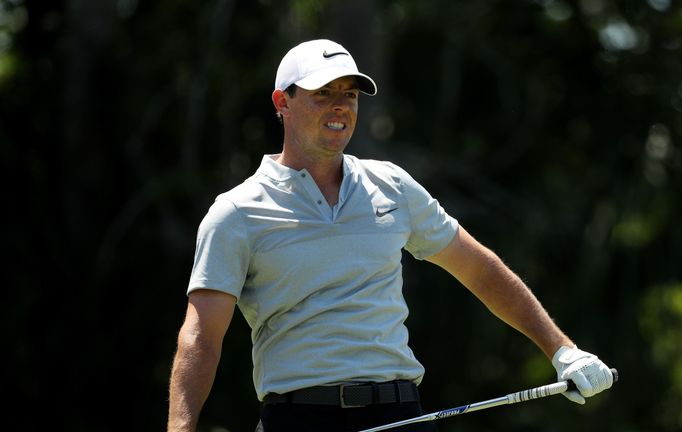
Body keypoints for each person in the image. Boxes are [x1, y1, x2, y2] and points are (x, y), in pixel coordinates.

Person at [167, 39, 614, 432]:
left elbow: (479, 270)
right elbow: (202, 335)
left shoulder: (392, 186)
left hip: (400, 413)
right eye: (323, 94)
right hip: (300, 418)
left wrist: (563, 351)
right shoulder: (237, 212)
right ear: (282, 102)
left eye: (349, 95)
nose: (340, 106)